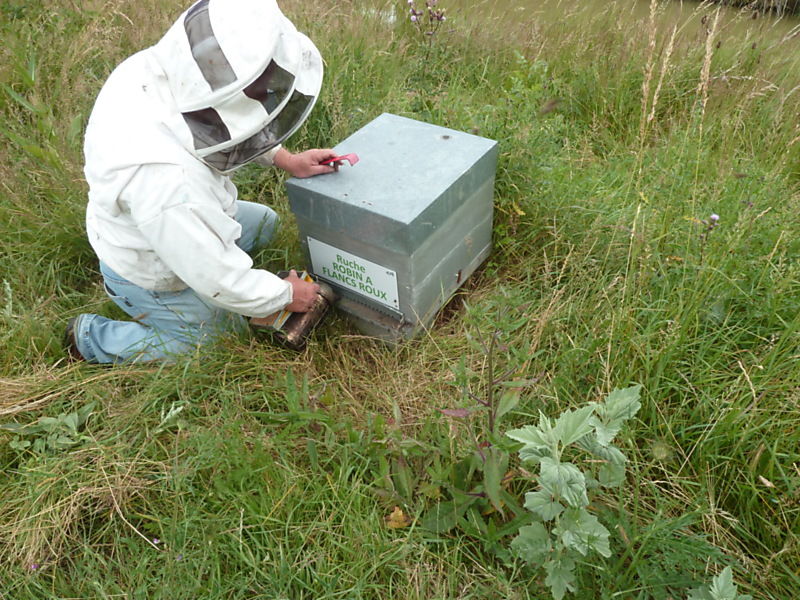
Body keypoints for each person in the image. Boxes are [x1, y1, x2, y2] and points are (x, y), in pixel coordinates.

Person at [65, 0, 339, 363]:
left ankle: (253, 290)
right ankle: (90, 339)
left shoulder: (157, 72)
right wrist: (286, 297)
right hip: (148, 269)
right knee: (216, 340)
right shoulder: (166, 183)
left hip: (159, 220)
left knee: (266, 224)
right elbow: (215, 277)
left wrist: (287, 160)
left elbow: (231, 116)